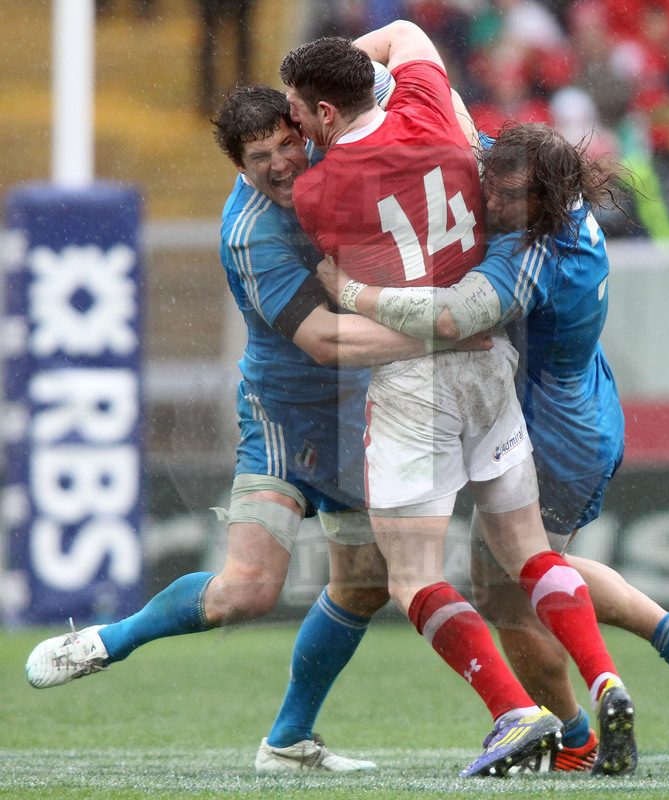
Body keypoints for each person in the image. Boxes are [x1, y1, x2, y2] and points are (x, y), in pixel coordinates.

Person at [24, 83, 455, 775]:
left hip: (357, 411)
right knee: (248, 590)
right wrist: (441, 334)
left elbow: (396, 46)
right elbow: (322, 340)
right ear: (237, 164)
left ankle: (287, 741)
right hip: (287, 415)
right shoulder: (254, 230)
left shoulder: (333, 160)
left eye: (289, 143)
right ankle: (111, 640)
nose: (283, 163)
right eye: (262, 155)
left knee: (365, 582)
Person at [317, 120, 669, 755]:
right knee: (521, 578)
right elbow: (449, 107)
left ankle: (586, 729)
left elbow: (452, 317)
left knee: (509, 591)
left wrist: (349, 291)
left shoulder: (536, 254)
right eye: (493, 187)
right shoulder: (530, 171)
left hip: (557, 429)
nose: (492, 202)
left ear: (544, 201)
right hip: (576, 404)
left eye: (511, 201)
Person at [280, 20, 637, 777]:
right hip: (491, 365)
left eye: (298, 111)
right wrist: (359, 59)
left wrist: (351, 287)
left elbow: (337, 249)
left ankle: (514, 713)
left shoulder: (313, 190)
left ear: (325, 114)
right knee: (527, 555)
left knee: (410, 576)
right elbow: (405, 32)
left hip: (418, 381)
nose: (294, 127)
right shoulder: (433, 105)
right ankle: (603, 677)